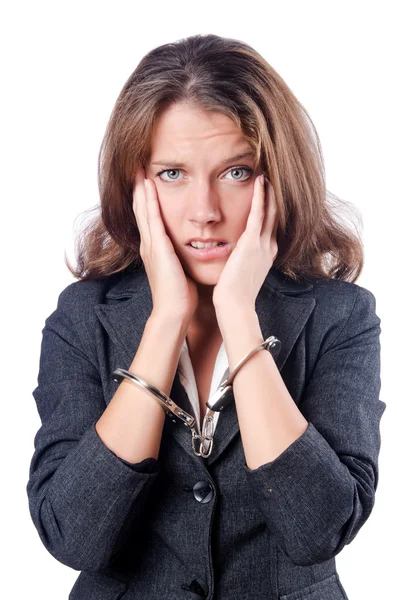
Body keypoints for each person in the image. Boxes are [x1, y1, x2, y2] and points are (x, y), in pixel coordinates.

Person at [26, 33, 385, 600]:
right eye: (173, 174)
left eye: (236, 172)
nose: (205, 212)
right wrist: (166, 320)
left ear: (278, 177)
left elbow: (320, 529)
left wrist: (240, 316)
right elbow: (75, 537)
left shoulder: (340, 317)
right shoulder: (84, 317)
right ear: (135, 183)